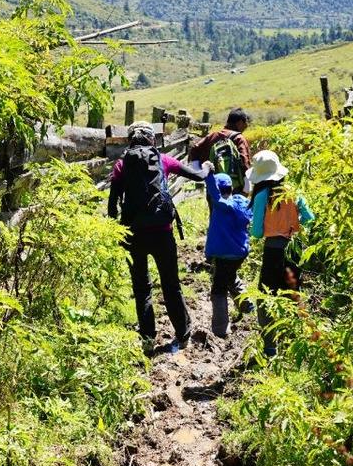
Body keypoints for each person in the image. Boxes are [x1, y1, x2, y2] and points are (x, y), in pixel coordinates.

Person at [108, 123, 208, 353]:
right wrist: (208, 168)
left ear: (130, 141)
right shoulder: (163, 160)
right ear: (153, 140)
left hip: (133, 235)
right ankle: (183, 335)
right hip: (163, 233)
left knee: (142, 288)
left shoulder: (122, 165)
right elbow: (198, 176)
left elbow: (112, 208)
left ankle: (147, 340)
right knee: (171, 285)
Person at [247, 150, 314, 357]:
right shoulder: (293, 191)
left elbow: (257, 232)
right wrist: (293, 226)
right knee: (293, 293)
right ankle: (297, 341)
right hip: (294, 249)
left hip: (272, 251)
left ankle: (270, 347)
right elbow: (309, 217)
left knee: (266, 296)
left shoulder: (261, 196)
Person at [203, 165, 254, 338]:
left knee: (218, 289)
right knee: (230, 276)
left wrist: (209, 174)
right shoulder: (242, 202)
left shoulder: (221, 206)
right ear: (231, 188)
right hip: (239, 253)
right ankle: (247, 305)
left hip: (224, 254)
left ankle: (220, 329)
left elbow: (214, 193)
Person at [189, 107, 252, 196]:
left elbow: (195, 149)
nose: (247, 125)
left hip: (214, 186)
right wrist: (247, 187)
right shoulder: (239, 139)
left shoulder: (213, 136)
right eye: (246, 122)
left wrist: (200, 172)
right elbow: (244, 161)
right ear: (240, 123)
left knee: (216, 209)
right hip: (234, 188)